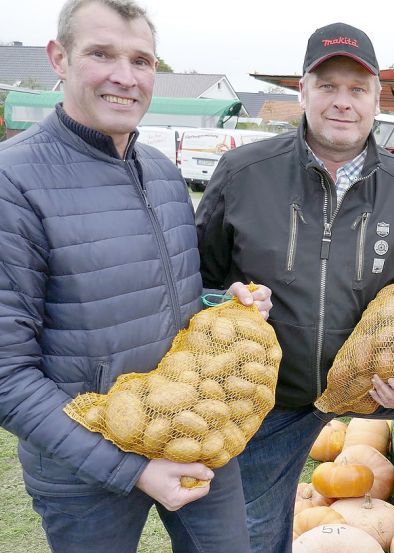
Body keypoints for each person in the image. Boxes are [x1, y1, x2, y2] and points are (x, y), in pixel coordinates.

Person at [195, 22, 394, 553]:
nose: (343, 102)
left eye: (357, 88)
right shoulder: (243, 173)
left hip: (376, 380)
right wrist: (225, 304)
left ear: (376, 98)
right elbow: (199, 281)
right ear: (303, 91)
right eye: (328, 86)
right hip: (276, 393)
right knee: (250, 540)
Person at [0, 1, 270, 551]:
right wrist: (132, 469)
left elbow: (169, 305)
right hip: (83, 467)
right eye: (102, 54)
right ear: (59, 58)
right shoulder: (13, 183)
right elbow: (7, 374)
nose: (125, 77)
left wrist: (226, 312)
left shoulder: (165, 174)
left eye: (141, 60)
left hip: (196, 434)